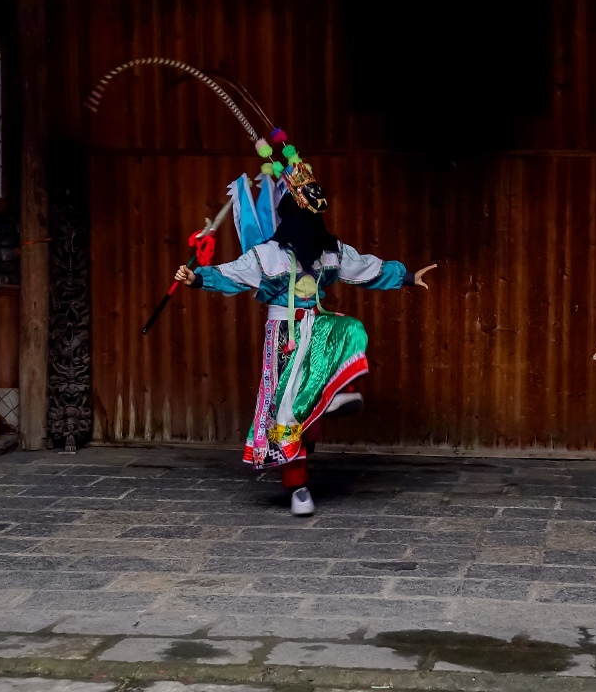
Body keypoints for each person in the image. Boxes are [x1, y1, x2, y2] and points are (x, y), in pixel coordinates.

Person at [177, 150, 436, 516]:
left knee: (348, 329)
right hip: (284, 333)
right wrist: (197, 277)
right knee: (287, 411)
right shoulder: (267, 256)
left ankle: (332, 396)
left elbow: (363, 267)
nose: (312, 224)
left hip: (316, 322)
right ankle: (297, 486)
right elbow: (231, 274)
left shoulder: (329, 253)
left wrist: (406, 276)